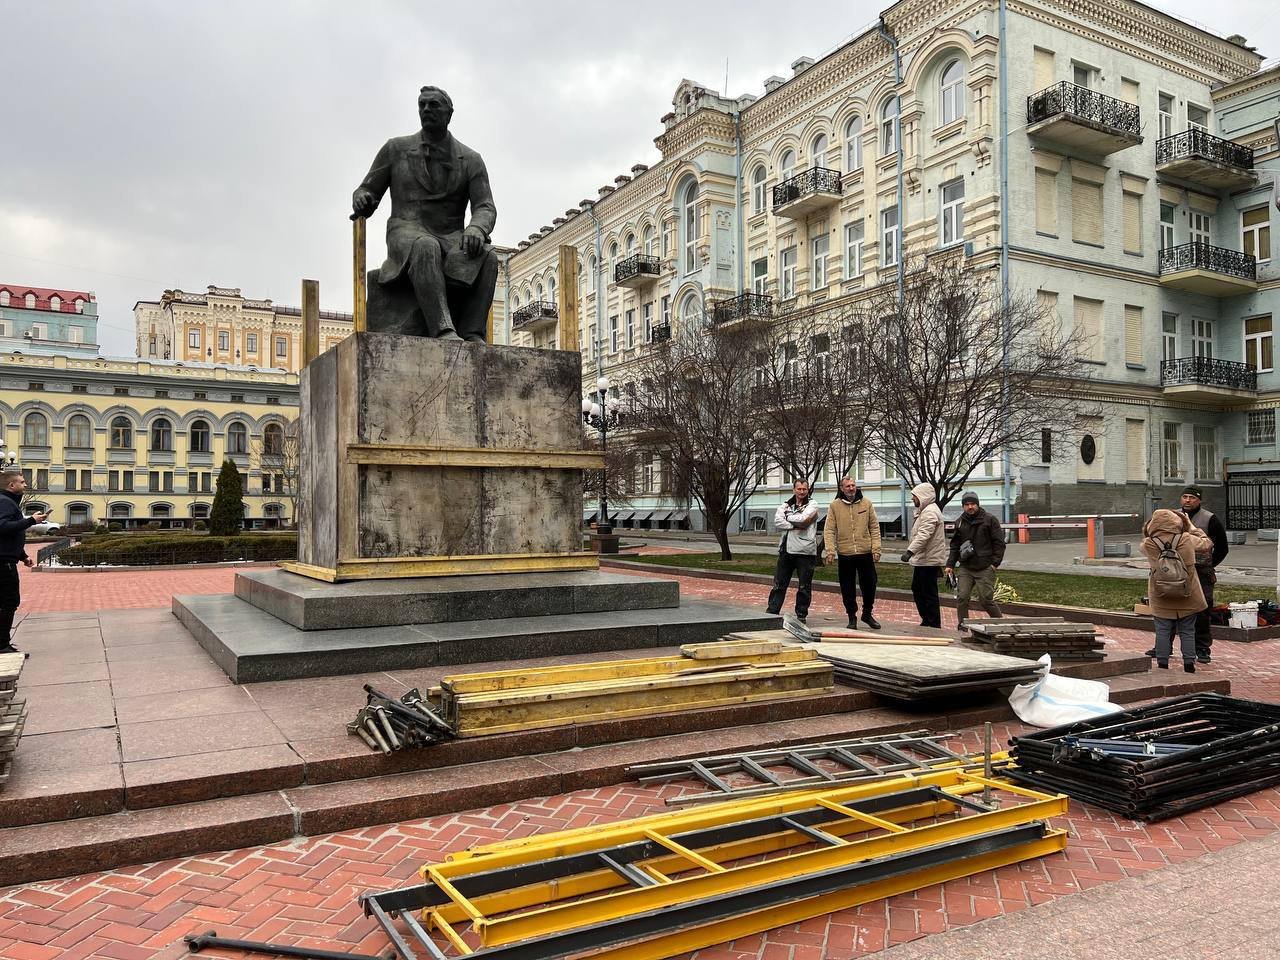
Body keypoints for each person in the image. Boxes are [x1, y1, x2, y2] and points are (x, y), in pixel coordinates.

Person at [352, 85, 498, 342]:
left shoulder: (471, 159)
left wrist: (476, 228)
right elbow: (367, 189)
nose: (426, 109)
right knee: (425, 246)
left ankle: (472, 331)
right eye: (422, 105)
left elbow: (485, 206)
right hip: (406, 231)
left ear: (449, 114)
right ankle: (443, 330)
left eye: (434, 105)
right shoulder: (395, 149)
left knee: (489, 257)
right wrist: (362, 198)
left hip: (451, 236)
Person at [1141, 508, 1210, 672]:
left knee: (1162, 630)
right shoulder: (1186, 538)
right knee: (1187, 630)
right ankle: (1189, 664)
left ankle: (1162, 664)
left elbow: (1146, 536)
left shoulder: (1148, 544)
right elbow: (1207, 543)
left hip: (1161, 593)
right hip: (1188, 592)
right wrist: (1192, 527)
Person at [823, 476, 881, 630]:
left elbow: (874, 527)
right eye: (847, 486)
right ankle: (851, 616)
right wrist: (830, 551)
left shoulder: (866, 503)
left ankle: (867, 613)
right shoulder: (835, 506)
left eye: (853, 485)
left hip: (865, 552)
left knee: (870, 584)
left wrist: (876, 548)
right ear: (842, 488)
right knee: (847, 587)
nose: (851, 488)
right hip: (845, 553)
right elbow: (829, 530)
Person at [0, 470, 47, 655]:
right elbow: (2, 527)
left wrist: (23, 556)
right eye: (22, 481)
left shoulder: (8, 502)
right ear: (12, 485)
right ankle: (2, 645)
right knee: (9, 601)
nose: (25, 484)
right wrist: (31, 520)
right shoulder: (5, 502)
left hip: (6, 559)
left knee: (6, 601)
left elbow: (9, 535)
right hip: (3, 563)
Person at [1181, 485, 1228, 663]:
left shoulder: (1210, 519)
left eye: (1192, 497)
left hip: (1202, 573)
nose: (1187, 500)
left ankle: (1202, 648)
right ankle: (1163, 647)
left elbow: (1222, 547)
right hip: (1178, 572)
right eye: (1185, 496)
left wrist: (1210, 564)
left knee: (1202, 610)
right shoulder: (1172, 516)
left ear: (1199, 500)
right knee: (1171, 609)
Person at [945, 491, 1006, 627]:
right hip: (966, 567)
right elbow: (955, 546)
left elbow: (999, 544)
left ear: (977, 504)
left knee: (985, 600)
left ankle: (1001, 625)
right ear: (963, 506)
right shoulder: (960, 522)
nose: (970, 507)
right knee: (962, 597)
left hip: (985, 567)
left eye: (973, 504)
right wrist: (950, 564)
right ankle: (963, 626)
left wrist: (994, 564)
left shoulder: (990, 520)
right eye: (966, 504)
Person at [767, 479, 820, 622]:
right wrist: (793, 525)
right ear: (794, 490)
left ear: (808, 490)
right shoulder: (786, 505)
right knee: (779, 584)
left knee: (804, 586)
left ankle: (801, 615)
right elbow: (777, 521)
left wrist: (788, 517)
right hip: (786, 550)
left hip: (805, 551)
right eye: (799, 489)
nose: (802, 492)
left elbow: (804, 520)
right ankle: (772, 611)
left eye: (804, 489)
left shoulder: (813, 504)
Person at [900, 482, 947, 628]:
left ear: (923, 496)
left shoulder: (930, 512)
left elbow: (924, 535)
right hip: (924, 559)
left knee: (927, 592)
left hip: (928, 560)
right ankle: (927, 620)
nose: (912, 499)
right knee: (919, 589)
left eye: (915, 496)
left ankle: (933, 623)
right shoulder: (925, 511)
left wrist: (910, 551)